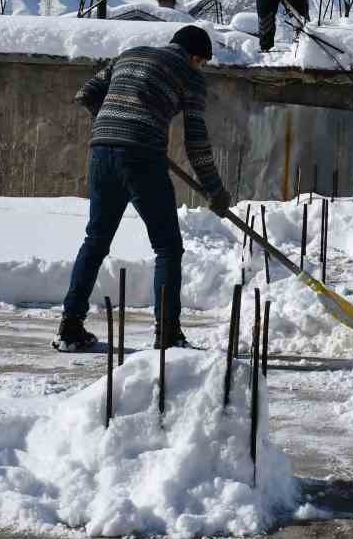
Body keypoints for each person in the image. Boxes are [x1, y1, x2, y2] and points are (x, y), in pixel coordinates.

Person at [56, 25, 232, 352]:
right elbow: (196, 140)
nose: (202, 69)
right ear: (195, 57)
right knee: (167, 248)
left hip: (101, 151)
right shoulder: (190, 76)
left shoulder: (129, 54)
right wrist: (215, 190)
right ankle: (167, 335)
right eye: (203, 63)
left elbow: (87, 92)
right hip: (141, 158)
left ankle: (69, 327)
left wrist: (115, 121)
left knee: (95, 241)